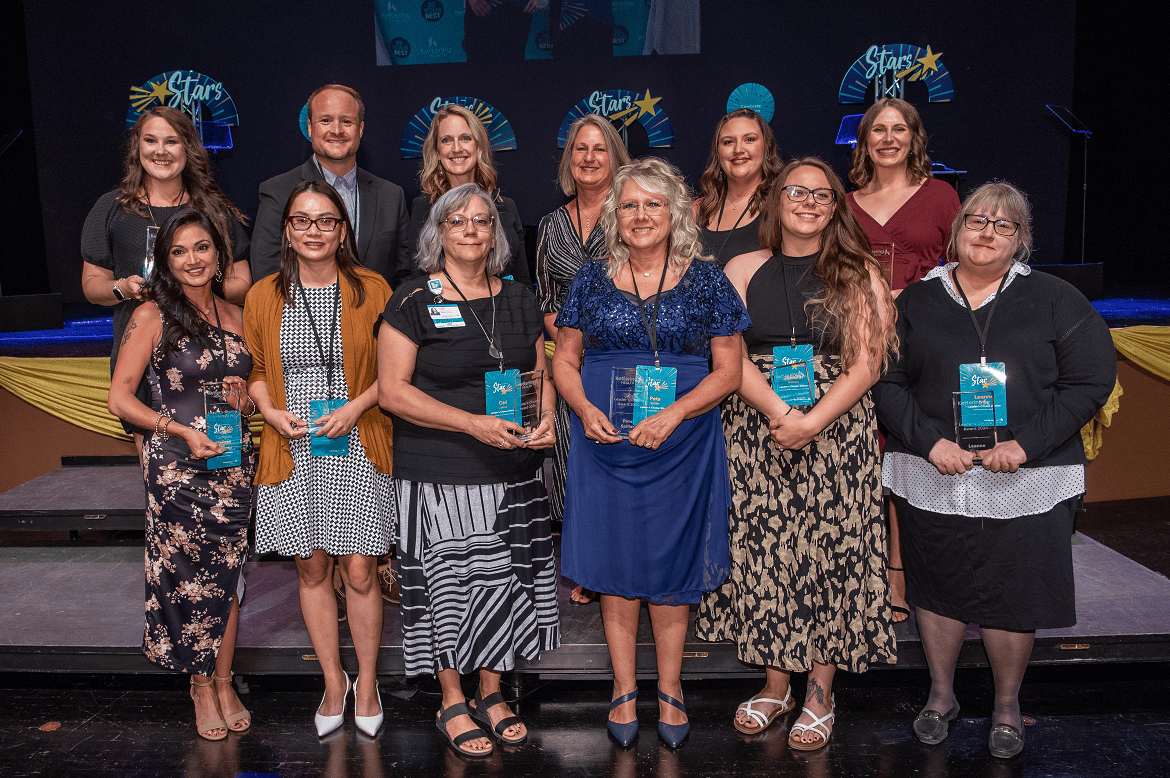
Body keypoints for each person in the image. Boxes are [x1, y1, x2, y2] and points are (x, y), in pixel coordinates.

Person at [872, 182, 1116, 759]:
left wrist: (1026, 444)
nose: (987, 232)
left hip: (1027, 476)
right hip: (935, 471)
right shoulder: (914, 302)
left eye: (1004, 225)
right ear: (956, 230)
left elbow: (1090, 380)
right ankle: (941, 695)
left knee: (1016, 588)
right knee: (938, 585)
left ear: (1021, 239)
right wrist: (929, 442)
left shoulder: (1056, 300)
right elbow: (885, 380)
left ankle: (1007, 704)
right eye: (977, 220)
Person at [696, 158, 899, 751]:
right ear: (775, 200)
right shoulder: (741, 268)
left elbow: (868, 362)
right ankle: (776, 684)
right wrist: (782, 414)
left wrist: (811, 421)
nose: (809, 202)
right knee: (766, 554)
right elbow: (727, 357)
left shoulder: (859, 271)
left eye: (821, 195)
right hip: (757, 426)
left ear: (836, 207)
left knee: (830, 554)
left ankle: (820, 692)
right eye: (797, 192)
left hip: (838, 430)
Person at [553, 158, 751, 748]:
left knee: (671, 563)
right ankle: (622, 688)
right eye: (630, 205)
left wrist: (675, 413)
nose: (641, 215)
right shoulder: (590, 278)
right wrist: (583, 410)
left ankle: (670, 688)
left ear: (675, 212)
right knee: (614, 563)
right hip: (604, 441)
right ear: (614, 214)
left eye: (653, 204)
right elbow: (565, 359)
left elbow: (729, 371)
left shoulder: (707, 279)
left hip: (681, 441)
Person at [378, 183, 559, 758]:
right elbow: (393, 392)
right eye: (458, 221)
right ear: (438, 232)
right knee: (447, 589)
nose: (471, 230)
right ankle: (452, 699)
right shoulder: (412, 299)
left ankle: (493, 692)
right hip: (440, 473)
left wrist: (547, 417)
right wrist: (470, 424)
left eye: (482, 221)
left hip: (514, 473)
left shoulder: (521, 298)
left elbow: (540, 374)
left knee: (504, 586)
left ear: (496, 233)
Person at [244, 180, 395, 738]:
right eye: (302, 220)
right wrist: (269, 412)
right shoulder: (263, 294)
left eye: (326, 220)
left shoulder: (372, 289)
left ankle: (368, 683)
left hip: (356, 439)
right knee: (310, 567)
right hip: (292, 444)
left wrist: (354, 408)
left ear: (342, 230)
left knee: (359, 568)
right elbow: (257, 369)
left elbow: (394, 370)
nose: (314, 230)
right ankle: (334, 682)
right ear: (287, 230)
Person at [107, 207, 255, 741]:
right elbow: (120, 398)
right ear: (165, 261)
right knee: (190, 577)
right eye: (179, 251)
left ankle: (224, 681)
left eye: (202, 247)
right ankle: (200, 686)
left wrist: (243, 402)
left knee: (229, 577)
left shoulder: (237, 315)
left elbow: (248, 398)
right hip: (177, 468)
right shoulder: (152, 314)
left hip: (232, 464)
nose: (193, 259)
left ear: (219, 253)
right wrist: (178, 430)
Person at [846, 98, 961, 622]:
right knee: (869, 454)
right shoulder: (846, 204)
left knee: (910, 448)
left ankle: (902, 568)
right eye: (878, 130)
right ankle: (868, 568)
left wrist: (907, 300)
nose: (888, 138)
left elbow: (960, 266)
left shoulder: (941, 197)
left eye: (899, 129)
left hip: (922, 338)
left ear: (915, 138)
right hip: (861, 340)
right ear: (864, 140)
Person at [82, 106, 251, 441]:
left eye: (171, 141)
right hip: (143, 358)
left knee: (224, 457)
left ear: (188, 148)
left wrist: (197, 284)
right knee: (161, 464)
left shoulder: (214, 210)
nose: (160, 151)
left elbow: (243, 282)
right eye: (151, 140)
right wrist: (123, 288)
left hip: (211, 357)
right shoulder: (112, 208)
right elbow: (91, 285)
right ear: (137, 147)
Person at [535, 113, 630, 604]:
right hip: (571, 363)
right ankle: (591, 567)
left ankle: (625, 560)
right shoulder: (551, 224)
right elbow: (546, 298)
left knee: (621, 462)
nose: (589, 158)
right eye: (580, 148)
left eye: (599, 148)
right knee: (576, 466)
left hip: (625, 360)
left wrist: (605, 346)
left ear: (615, 157)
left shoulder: (633, 212)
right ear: (568, 159)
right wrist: (575, 346)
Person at [252, 84, 411, 289]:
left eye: (346, 121)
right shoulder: (278, 192)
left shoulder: (391, 196)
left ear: (360, 128)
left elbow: (405, 277)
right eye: (326, 120)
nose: (337, 130)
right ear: (310, 127)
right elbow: (267, 275)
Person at [406, 104, 530, 285]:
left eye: (465, 138)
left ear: (478, 146)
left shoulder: (506, 206)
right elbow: (419, 280)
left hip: (503, 302)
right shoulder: (424, 207)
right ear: (437, 152)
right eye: (446, 140)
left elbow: (522, 280)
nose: (456, 148)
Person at [695, 108, 783, 267]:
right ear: (718, 152)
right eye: (728, 142)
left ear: (766, 147)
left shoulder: (782, 206)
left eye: (749, 139)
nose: (738, 150)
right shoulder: (698, 209)